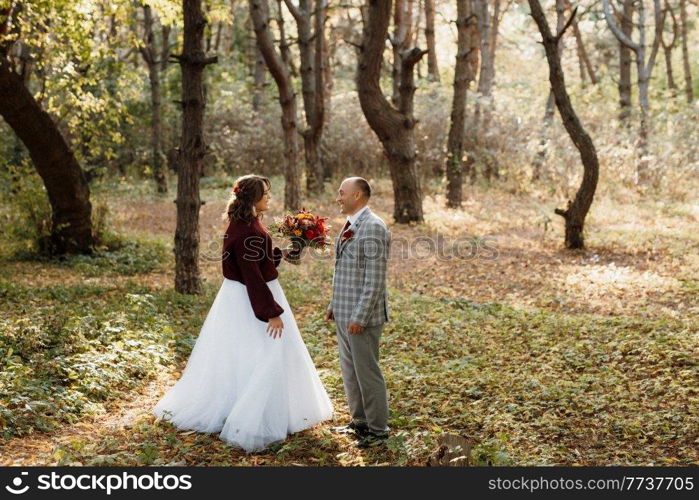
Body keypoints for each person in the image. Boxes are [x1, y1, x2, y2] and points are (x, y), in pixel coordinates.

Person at [152, 174, 333, 453]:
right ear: (252, 198)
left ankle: (259, 406)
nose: (269, 198)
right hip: (250, 299)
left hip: (245, 294)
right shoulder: (246, 230)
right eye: (266, 194)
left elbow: (259, 261)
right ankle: (251, 416)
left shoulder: (247, 223)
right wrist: (270, 312)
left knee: (250, 353)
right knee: (262, 352)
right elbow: (252, 277)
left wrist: (285, 251)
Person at [326, 177, 391, 448]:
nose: (338, 197)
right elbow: (344, 270)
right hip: (344, 311)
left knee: (367, 372)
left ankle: (378, 430)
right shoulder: (350, 224)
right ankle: (359, 422)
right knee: (350, 371)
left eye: (342, 193)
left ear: (358, 195)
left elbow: (374, 280)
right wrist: (334, 305)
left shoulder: (373, 226)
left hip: (361, 318)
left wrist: (359, 317)